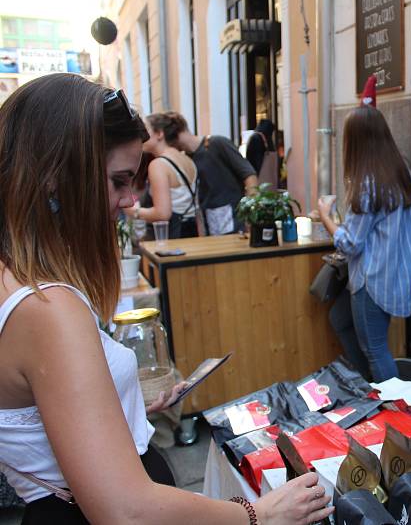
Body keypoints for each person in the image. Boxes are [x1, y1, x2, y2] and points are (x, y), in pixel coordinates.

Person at [0, 74, 332, 524]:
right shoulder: (49, 309)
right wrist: (260, 514)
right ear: (57, 178)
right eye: (118, 180)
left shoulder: (20, 282)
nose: (128, 199)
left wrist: (121, 394)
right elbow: (126, 511)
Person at [318, 104, 411, 383]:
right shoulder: (402, 172)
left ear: (356, 141)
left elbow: (350, 244)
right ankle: (371, 388)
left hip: (371, 280)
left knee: (375, 349)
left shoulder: (367, 185)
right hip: (394, 274)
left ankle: (395, 406)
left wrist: (326, 217)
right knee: (340, 319)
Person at [165, 112, 258, 235]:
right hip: (209, 223)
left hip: (236, 220)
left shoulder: (217, 143)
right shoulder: (186, 159)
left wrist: (251, 214)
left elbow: (249, 174)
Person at [125, 112, 200, 239]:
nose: (141, 136)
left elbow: (162, 213)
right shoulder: (187, 160)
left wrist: (134, 211)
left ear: (160, 134)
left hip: (170, 239)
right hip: (191, 234)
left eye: (146, 130)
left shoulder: (158, 165)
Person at [246, 119, 278, 187]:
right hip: (262, 177)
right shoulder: (259, 139)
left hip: (256, 175)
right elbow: (259, 160)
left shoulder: (255, 137)